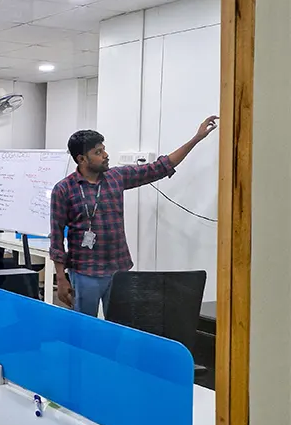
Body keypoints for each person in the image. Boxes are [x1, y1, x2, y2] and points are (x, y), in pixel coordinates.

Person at [49, 116, 219, 317]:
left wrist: (196, 138)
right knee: (85, 329)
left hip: (118, 271)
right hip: (85, 272)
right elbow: (57, 237)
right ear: (81, 159)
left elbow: (159, 167)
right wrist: (61, 277)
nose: (105, 155)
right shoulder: (63, 190)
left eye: (103, 149)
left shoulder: (116, 177)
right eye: (98, 152)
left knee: (120, 327)